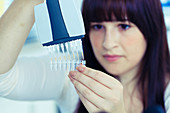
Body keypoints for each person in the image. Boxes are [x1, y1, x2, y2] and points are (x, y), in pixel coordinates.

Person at [0, 0, 169, 113]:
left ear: (151, 29)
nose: (108, 43)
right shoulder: (74, 72)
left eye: (124, 26)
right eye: (97, 27)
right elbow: (3, 78)